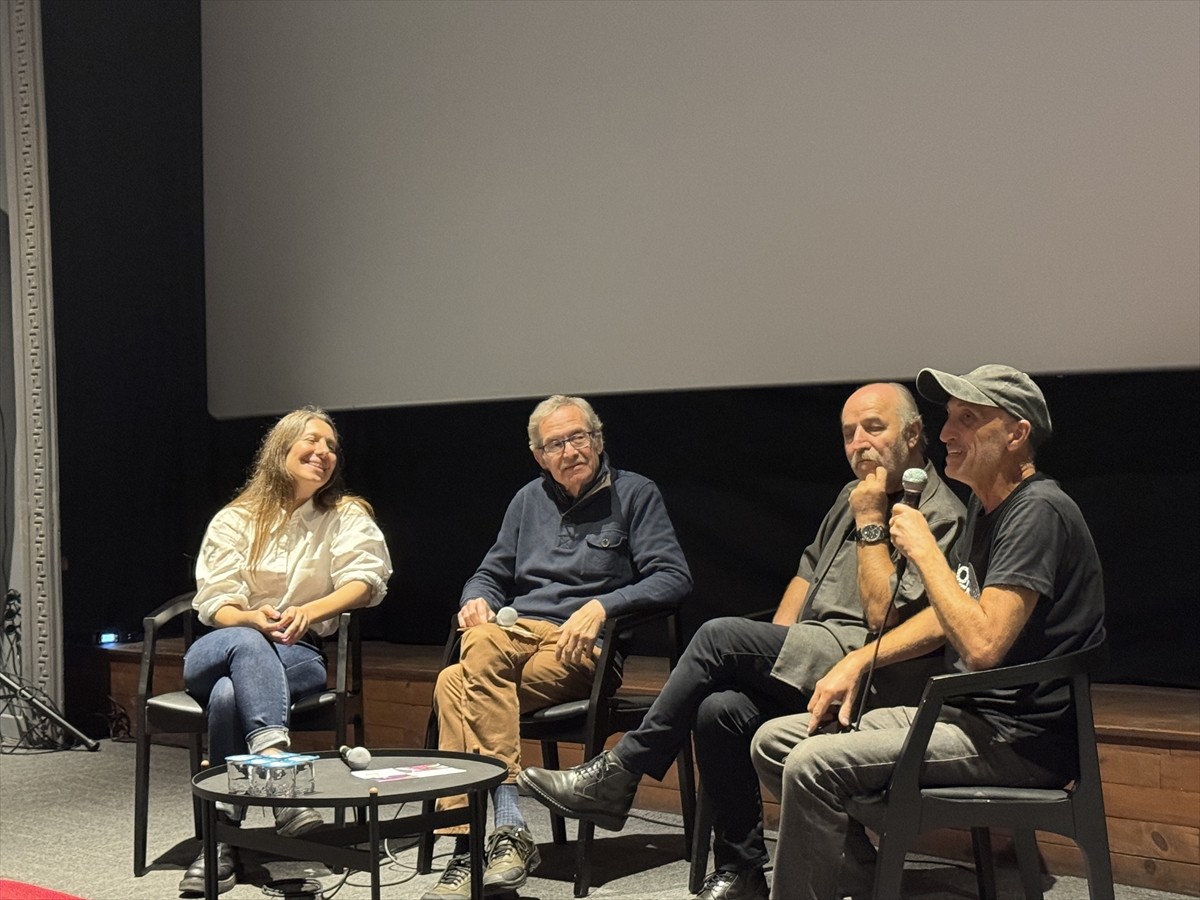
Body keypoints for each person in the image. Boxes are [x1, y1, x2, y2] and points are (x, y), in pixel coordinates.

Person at [518, 383, 966, 900]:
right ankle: (743, 870)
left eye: (873, 428)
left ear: (913, 434)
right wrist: (773, 649)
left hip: (872, 670)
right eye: (848, 433)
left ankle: (621, 773)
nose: (858, 444)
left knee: (718, 636)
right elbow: (806, 573)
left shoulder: (936, 511)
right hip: (813, 651)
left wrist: (870, 519)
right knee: (718, 708)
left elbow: (884, 618)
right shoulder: (852, 494)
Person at [751, 365, 1106, 900]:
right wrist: (856, 660)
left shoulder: (1038, 513)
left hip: (1020, 740)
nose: (945, 434)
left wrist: (920, 549)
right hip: (965, 717)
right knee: (775, 740)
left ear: (1016, 434)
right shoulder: (987, 511)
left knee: (810, 762)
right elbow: (949, 614)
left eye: (968, 419)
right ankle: (863, 883)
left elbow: (984, 645)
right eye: (947, 420)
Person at [423, 394, 693, 900]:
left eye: (579, 437)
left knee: (455, 681)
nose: (570, 451)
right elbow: (489, 572)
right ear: (538, 455)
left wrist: (604, 606)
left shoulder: (635, 494)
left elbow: (673, 577)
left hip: (582, 650)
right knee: (468, 656)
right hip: (516, 636)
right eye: (556, 444)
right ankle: (501, 839)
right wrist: (475, 599)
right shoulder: (527, 500)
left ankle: (475, 846)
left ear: (598, 439)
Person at [178, 407, 393, 896]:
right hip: (221, 645)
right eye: (312, 442)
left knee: (230, 699)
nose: (324, 453)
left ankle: (219, 842)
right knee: (246, 647)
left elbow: (366, 580)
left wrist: (310, 611)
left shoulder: (344, 515)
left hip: (298, 653)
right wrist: (252, 618)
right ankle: (278, 767)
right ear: (281, 449)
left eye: (331, 447)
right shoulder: (236, 518)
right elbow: (215, 602)